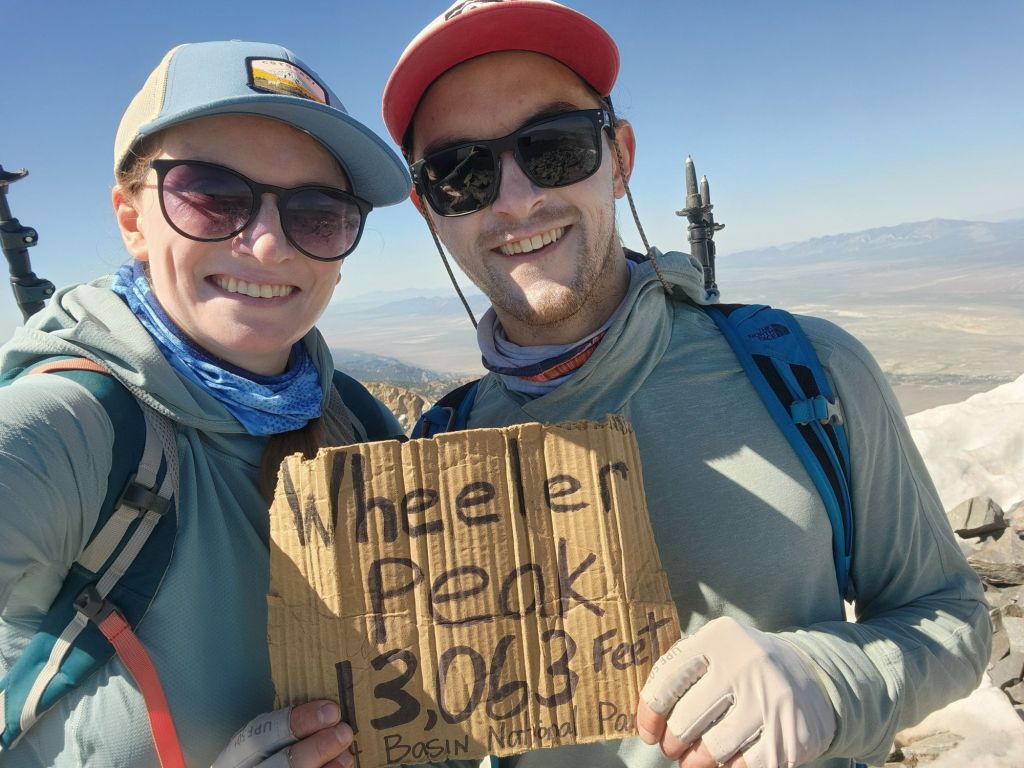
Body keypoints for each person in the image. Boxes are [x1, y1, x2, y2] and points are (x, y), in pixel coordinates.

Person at [382, 2, 992, 767]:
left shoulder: (809, 371)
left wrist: (824, 678)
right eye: (459, 173)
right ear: (428, 208)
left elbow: (954, 619)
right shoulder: (437, 452)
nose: (513, 199)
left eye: (555, 148)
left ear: (621, 157)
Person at [0, 40, 410, 766]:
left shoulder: (358, 421)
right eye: (212, 197)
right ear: (133, 219)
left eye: (316, 214)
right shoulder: (63, 431)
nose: (266, 244)